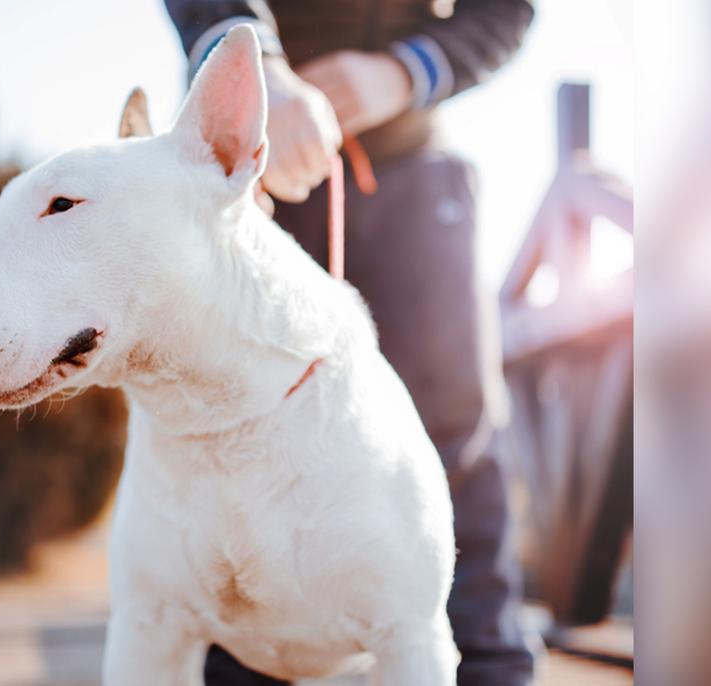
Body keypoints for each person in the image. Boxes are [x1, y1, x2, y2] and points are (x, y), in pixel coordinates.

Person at [164, 2, 539, 685]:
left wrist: (403, 73)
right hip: (243, 177)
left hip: (414, 168)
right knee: (235, 434)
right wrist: (254, 64)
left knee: (455, 429)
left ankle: (488, 667)